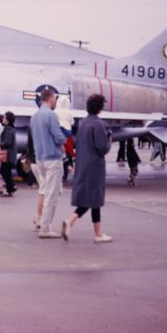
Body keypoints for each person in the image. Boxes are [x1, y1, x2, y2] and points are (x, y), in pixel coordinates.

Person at [61, 93, 113, 243]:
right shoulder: (98, 124)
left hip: (82, 163)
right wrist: (109, 140)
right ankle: (71, 221)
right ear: (100, 107)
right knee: (93, 199)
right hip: (94, 166)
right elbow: (102, 147)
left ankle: (98, 233)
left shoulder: (83, 123)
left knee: (92, 199)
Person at [30, 88, 66, 238]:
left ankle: (44, 224)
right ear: (51, 98)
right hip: (53, 158)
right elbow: (58, 137)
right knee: (52, 194)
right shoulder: (51, 115)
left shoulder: (35, 116)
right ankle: (45, 228)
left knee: (49, 191)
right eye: (55, 99)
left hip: (40, 159)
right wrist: (65, 140)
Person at [28, 127, 45, 232]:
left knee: (42, 190)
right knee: (44, 191)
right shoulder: (46, 122)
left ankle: (38, 217)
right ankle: (39, 219)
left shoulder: (32, 123)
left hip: (34, 161)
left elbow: (29, 145)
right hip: (42, 161)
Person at [0, 111, 17, 197]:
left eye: (4, 117)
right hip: (10, 155)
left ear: (8, 119)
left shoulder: (8, 129)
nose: (3, 118)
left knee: (3, 171)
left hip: (7, 155)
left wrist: (0, 144)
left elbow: (7, 142)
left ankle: (12, 187)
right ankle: (11, 189)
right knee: (7, 172)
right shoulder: (11, 128)